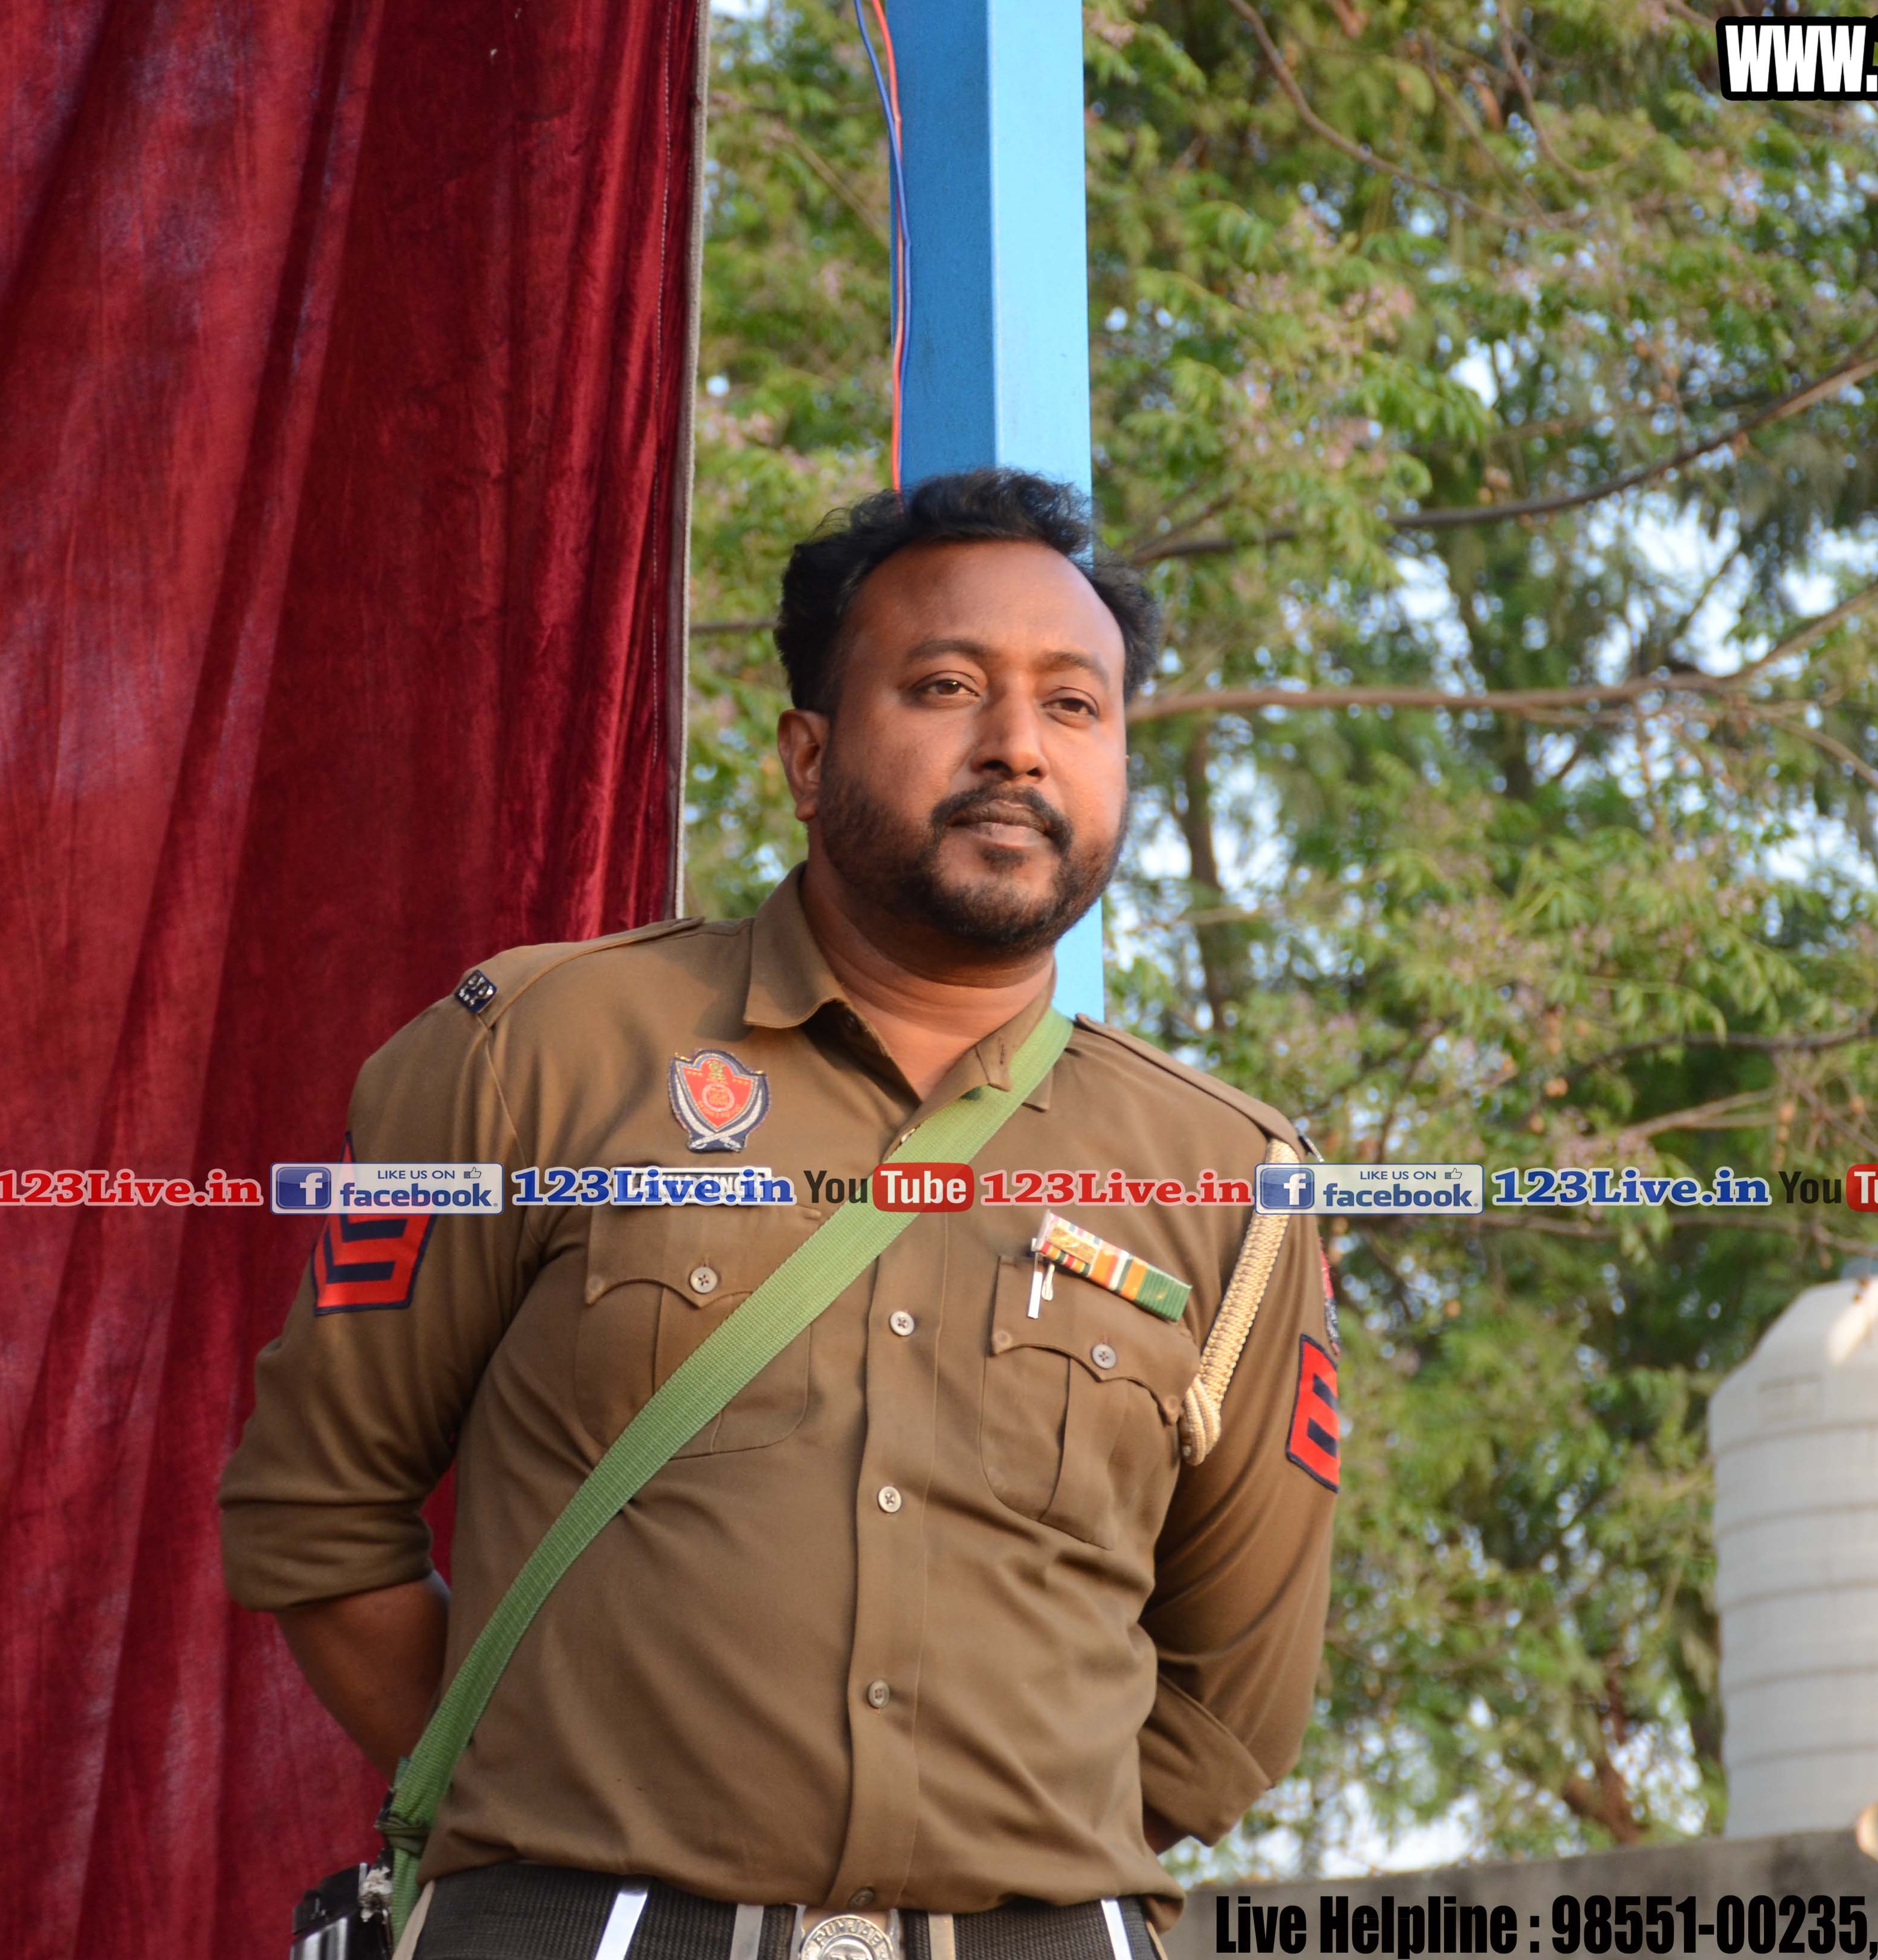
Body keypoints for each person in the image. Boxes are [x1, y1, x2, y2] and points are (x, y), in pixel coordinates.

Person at [220, 469, 1339, 1960]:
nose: (1017, 745)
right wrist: (558, 1809)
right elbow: (317, 1521)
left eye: (1075, 706)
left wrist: (993, 1877)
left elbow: (1232, 1693)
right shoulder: (534, 1053)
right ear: (806, 757)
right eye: (946, 687)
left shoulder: (1231, 1179)